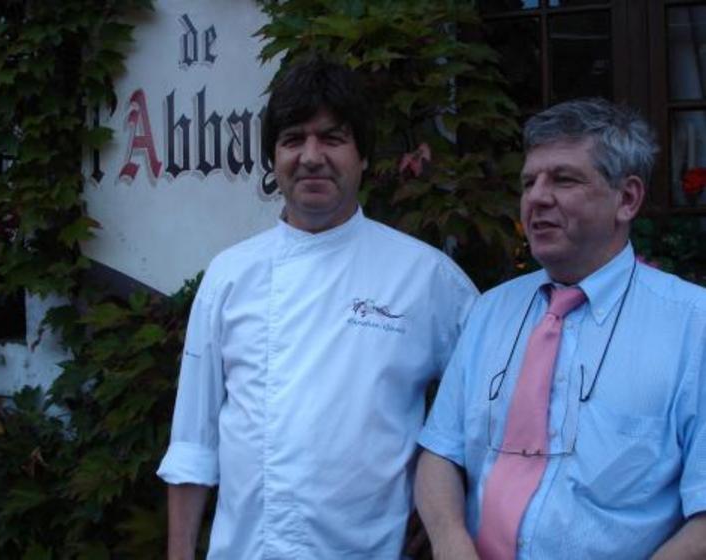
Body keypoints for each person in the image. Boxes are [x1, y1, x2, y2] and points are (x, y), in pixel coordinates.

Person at [157, 57, 478, 560]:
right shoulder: (229, 276)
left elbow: (486, 414)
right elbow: (193, 443)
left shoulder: (427, 278)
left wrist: (449, 515)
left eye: (332, 138)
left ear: (363, 156)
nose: (311, 156)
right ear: (273, 157)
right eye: (293, 139)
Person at [415, 98, 706, 559]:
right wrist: (451, 541)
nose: (537, 197)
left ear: (627, 198)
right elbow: (440, 453)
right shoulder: (491, 311)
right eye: (529, 181)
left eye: (563, 179)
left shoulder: (694, 326)